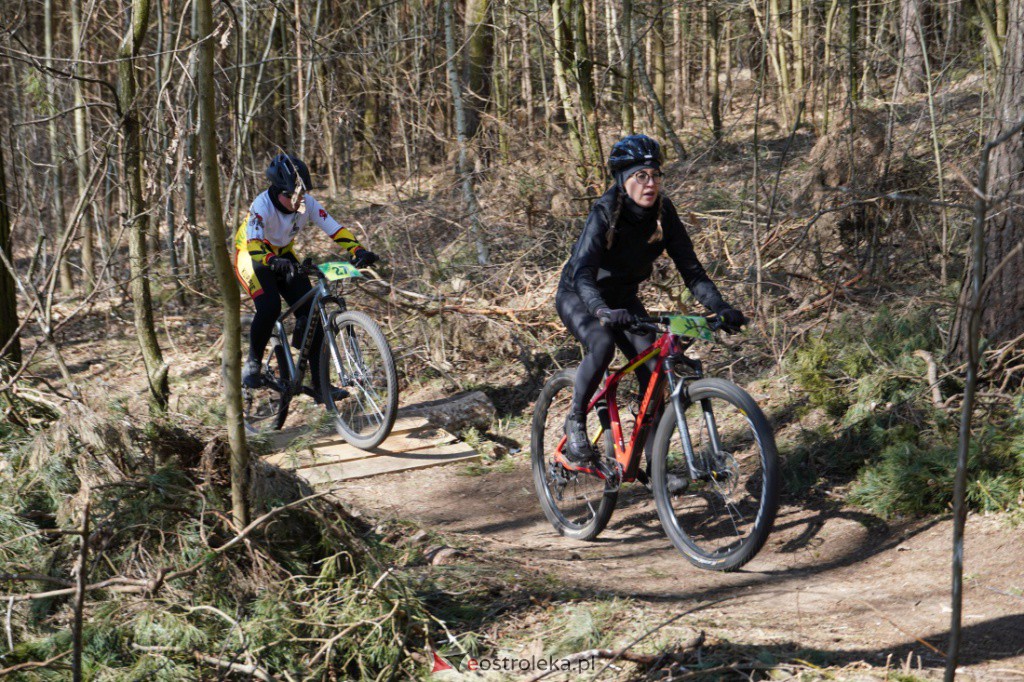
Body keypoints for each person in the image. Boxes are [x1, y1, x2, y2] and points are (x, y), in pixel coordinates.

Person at [556, 134, 747, 466]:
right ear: (623, 180)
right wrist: (600, 310)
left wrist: (720, 307)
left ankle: (654, 463)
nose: (651, 183)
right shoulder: (604, 212)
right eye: (640, 176)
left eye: (656, 174)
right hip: (580, 296)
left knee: (655, 369)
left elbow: (692, 271)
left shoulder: (663, 211)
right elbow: (583, 273)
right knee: (601, 344)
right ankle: (575, 418)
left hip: (624, 300)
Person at [234, 153, 379, 395]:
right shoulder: (261, 206)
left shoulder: (306, 204)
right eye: (295, 195)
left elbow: (334, 228)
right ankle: (252, 364)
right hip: (252, 256)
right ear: (279, 191)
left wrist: (358, 249)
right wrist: (272, 260)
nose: (300, 200)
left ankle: (321, 386)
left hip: (282, 253)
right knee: (269, 307)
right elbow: (255, 245)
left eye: (303, 193)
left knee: (313, 312)